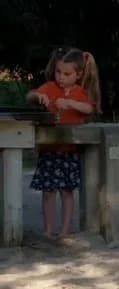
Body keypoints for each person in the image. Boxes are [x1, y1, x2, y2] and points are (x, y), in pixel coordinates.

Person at [26, 47, 100, 239]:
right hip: (48, 150)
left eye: (67, 74)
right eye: (58, 72)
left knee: (67, 192)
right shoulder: (50, 87)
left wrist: (70, 104)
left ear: (78, 74)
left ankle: (65, 230)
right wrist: (39, 96)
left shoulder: (80, 92)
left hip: (69, 151)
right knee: (48, 192)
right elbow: (30, 95)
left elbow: (89, 108)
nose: (61, 77)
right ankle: (48, 230)